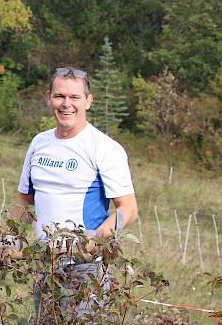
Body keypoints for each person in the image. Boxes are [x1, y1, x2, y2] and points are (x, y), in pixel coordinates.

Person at [12, 67, 138, 322]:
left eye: (74, 97)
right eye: (59, 96)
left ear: (88, 101)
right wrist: (7, 241)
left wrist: (91, 244)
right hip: (45, 266)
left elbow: (128, 209)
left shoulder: (104, 148)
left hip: (86, 268)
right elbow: (25, 202)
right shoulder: (39, 143)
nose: (66, 104)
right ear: (49, 98)